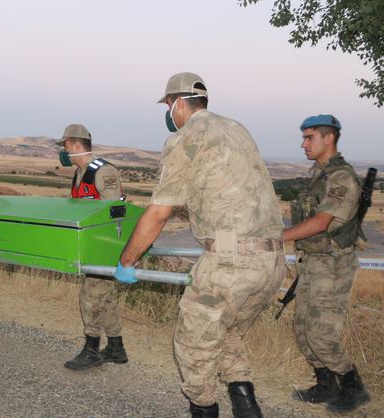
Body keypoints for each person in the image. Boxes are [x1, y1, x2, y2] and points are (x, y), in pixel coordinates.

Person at [114, 73, 285, 418]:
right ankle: (246, 405)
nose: (167, 112)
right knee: (228, 332)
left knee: (193, 346)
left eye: (166, 105)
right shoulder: (237, 129)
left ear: (177, 103)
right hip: (272, 262)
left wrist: (128, 260)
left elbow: (160, 210)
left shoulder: (186, 136)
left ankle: (203, 409)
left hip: (230, 262)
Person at [283, 115, 370, 413]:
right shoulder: (319, 174)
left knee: (321, 334)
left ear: (328, 138)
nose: (303, 143)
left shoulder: (341, 177)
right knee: (303, 329)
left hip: (332, 266)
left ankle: (352, 386)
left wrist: (277, 237)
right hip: (312, 263)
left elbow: (321, 223)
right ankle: (325, 385)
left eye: (309, 138)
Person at [57, 123, 129, 371]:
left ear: (76, 146)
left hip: (105, 248)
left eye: (65, 147)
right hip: (91, 247)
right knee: (105, 298)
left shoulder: (102, 171)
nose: (63, 152)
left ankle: (92, 349)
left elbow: (114, 212)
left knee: (90, 297)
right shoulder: (79, 173)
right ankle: (116, 348)